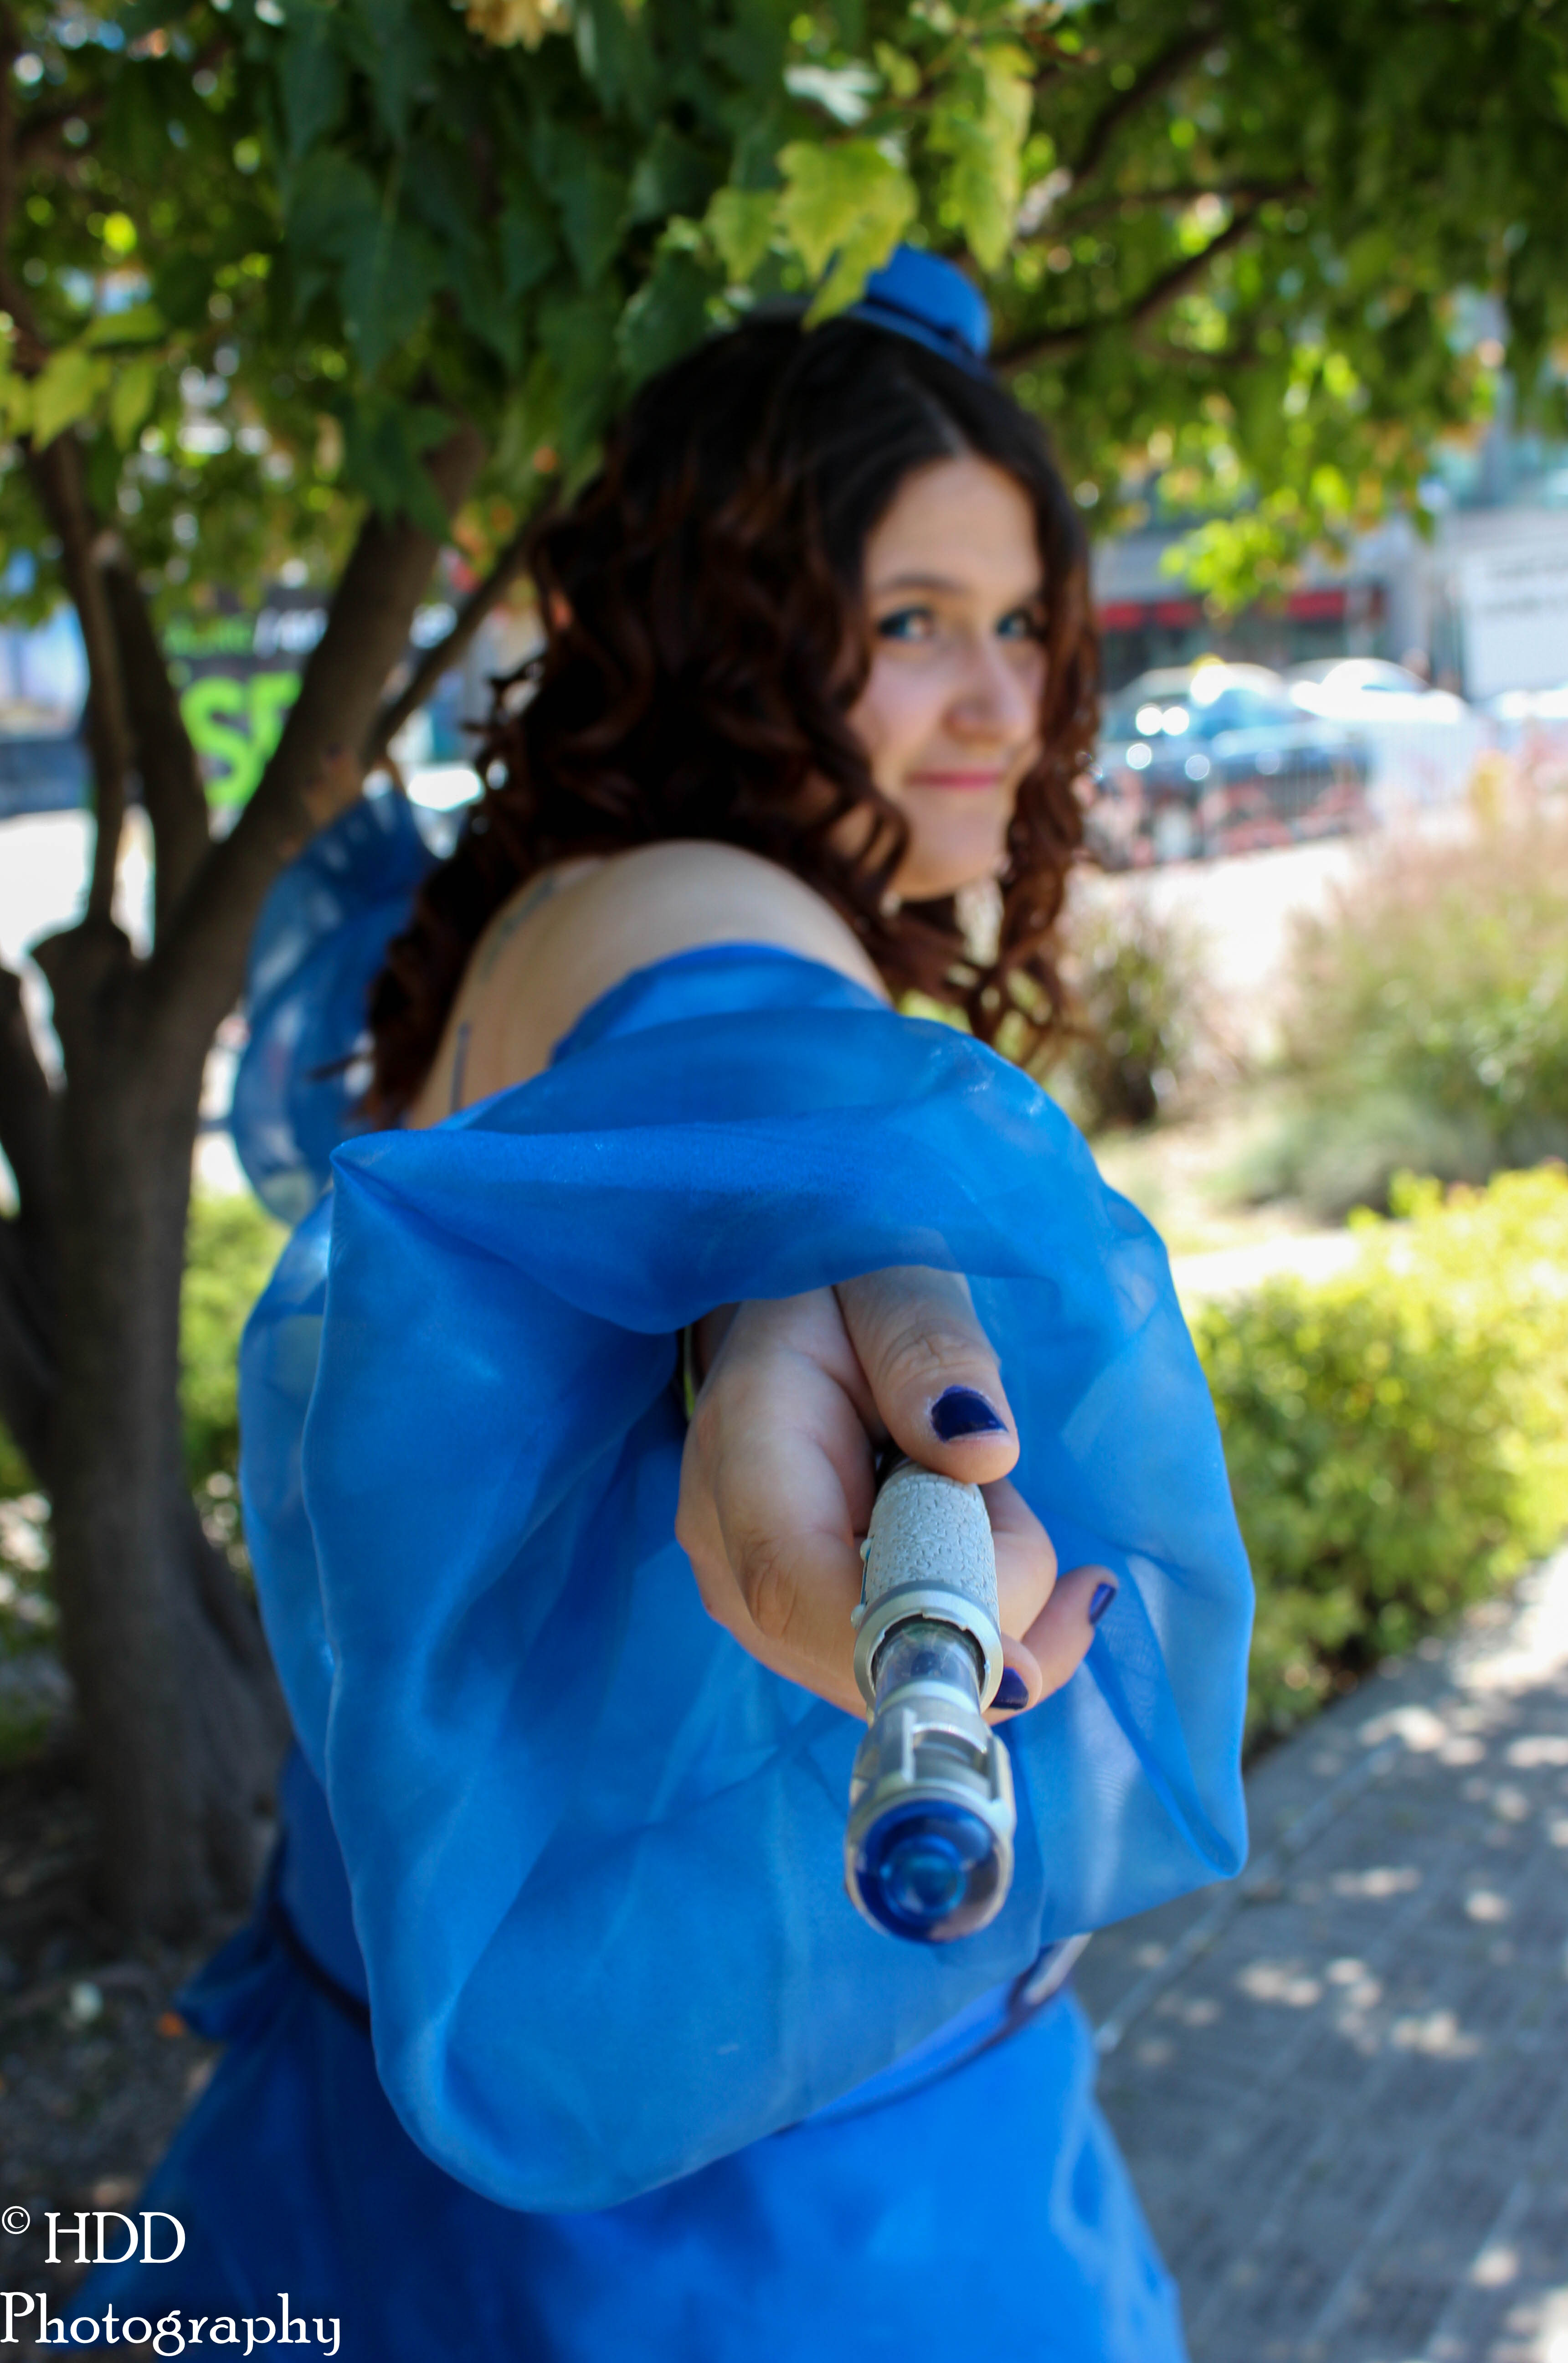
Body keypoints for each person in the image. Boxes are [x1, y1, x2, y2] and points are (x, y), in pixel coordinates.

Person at [91, 249, 1251, 2361]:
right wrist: (802, 1317)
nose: (1004, 705)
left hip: (441, 2130)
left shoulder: (543, 906)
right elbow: (751, 1127)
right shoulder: (708, 914)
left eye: (1021, 626)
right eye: (914, 622)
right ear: (728, 629)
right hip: (743, 2226)